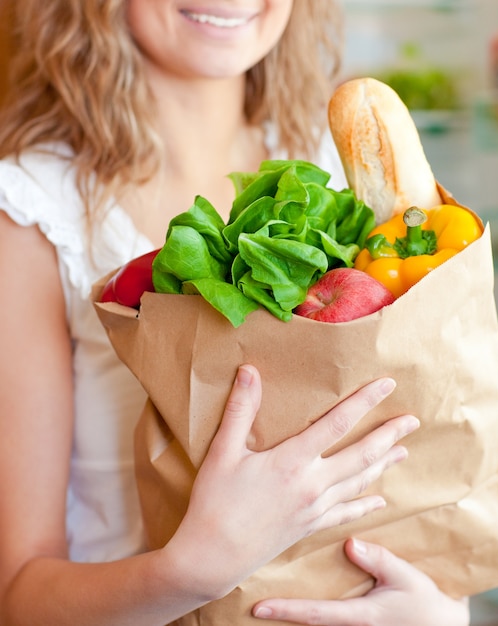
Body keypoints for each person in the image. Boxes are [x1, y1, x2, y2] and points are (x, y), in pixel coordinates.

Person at [0, 1, 470, 624]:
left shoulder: (330, 169)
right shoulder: (31, 208)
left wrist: (436, 610)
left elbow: (414, 456)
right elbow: (18, 598)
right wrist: (194, 571)